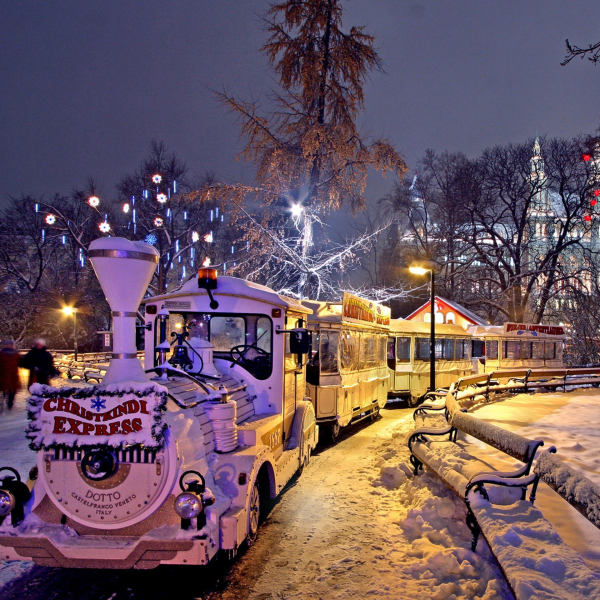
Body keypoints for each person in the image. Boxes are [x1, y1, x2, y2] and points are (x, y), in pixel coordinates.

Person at [0, 340, 21, 408]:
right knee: (4, 389)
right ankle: (4, 402)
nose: (9, 346)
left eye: (10, 345)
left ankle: (10, 404)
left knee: (12, 390)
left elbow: (21, 363)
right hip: (3, 375)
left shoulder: (16, 354)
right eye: (7, 344)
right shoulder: (1, 354)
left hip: (13, 375)